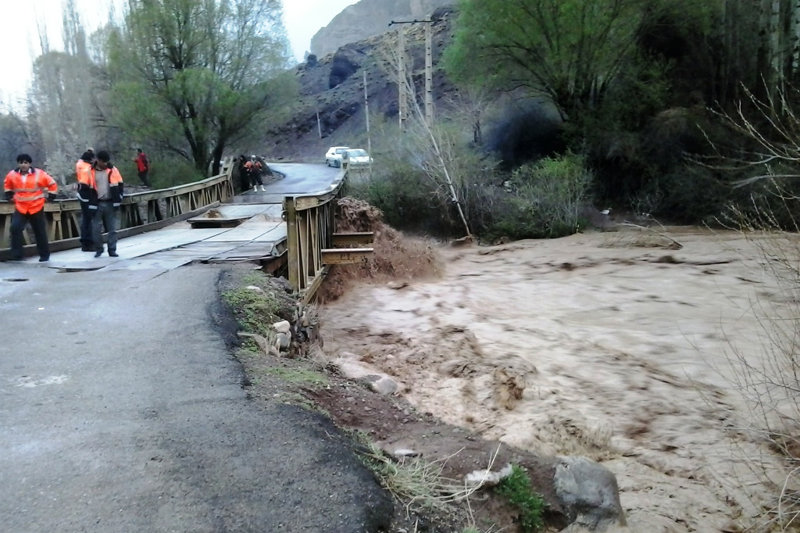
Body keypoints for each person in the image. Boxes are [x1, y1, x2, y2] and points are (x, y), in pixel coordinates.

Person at [3, 153, 58, 262]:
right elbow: (7, 185)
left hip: (36, 206)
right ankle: (17, 255)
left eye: (25, 163)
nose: (23, 165)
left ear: (29, 164)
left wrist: (51, 196)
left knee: (40, 231)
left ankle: (44, 255)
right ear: (18, 163)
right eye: (21, 163)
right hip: (21, 207)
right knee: (15, 228)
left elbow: (52, 183)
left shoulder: (39, 174)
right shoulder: (12, 175)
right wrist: (8, 196)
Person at [89, 150, 124, 257]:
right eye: (103, 162)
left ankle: (112, 250)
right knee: (95, 229)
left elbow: (120, 185)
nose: (105, 164)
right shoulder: (90, 171)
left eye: (106, 162)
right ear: (98, 161)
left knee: (112, 228)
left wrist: (118, 199)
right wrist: (89, 203)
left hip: (110, 202)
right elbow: (86, 188)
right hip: (96, 203)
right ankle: (99, 249)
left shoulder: (113, 170)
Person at [75, 150, 96, 251]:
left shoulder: (80, 164)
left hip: (83, 193)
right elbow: (88, 180)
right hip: (87, 194)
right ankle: (88, 242)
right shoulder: (86, 167)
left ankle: (85, 242)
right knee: (89, 219)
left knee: (86, 219)